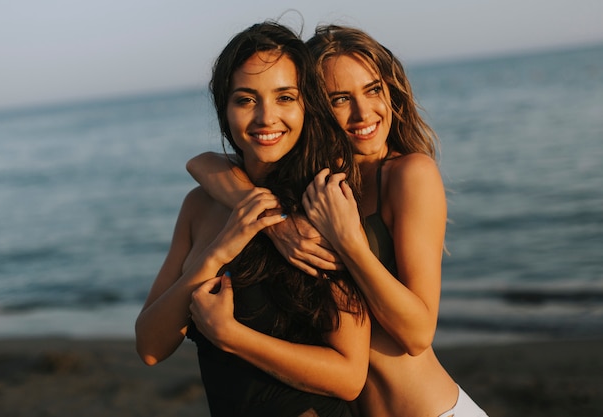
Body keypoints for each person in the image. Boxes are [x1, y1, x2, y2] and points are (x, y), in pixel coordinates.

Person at [187, 25, 488, 417]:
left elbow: (417, 333)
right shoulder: (310, 182)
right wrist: (274, 221)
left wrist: (350, 244)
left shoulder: (407, 174)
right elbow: (203, 163)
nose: (364, 113)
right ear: (312, 105)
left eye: (373, 90)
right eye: (340, 98)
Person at [135, 22, 370, 417]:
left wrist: (232, 337)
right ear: (224, 111)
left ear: (305, 106)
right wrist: (216, 252)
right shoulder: (199, 206)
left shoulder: (323, 204)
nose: (266, 117)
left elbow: (348, 376)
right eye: (246, 99)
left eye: (285, 97)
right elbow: (150, 347)